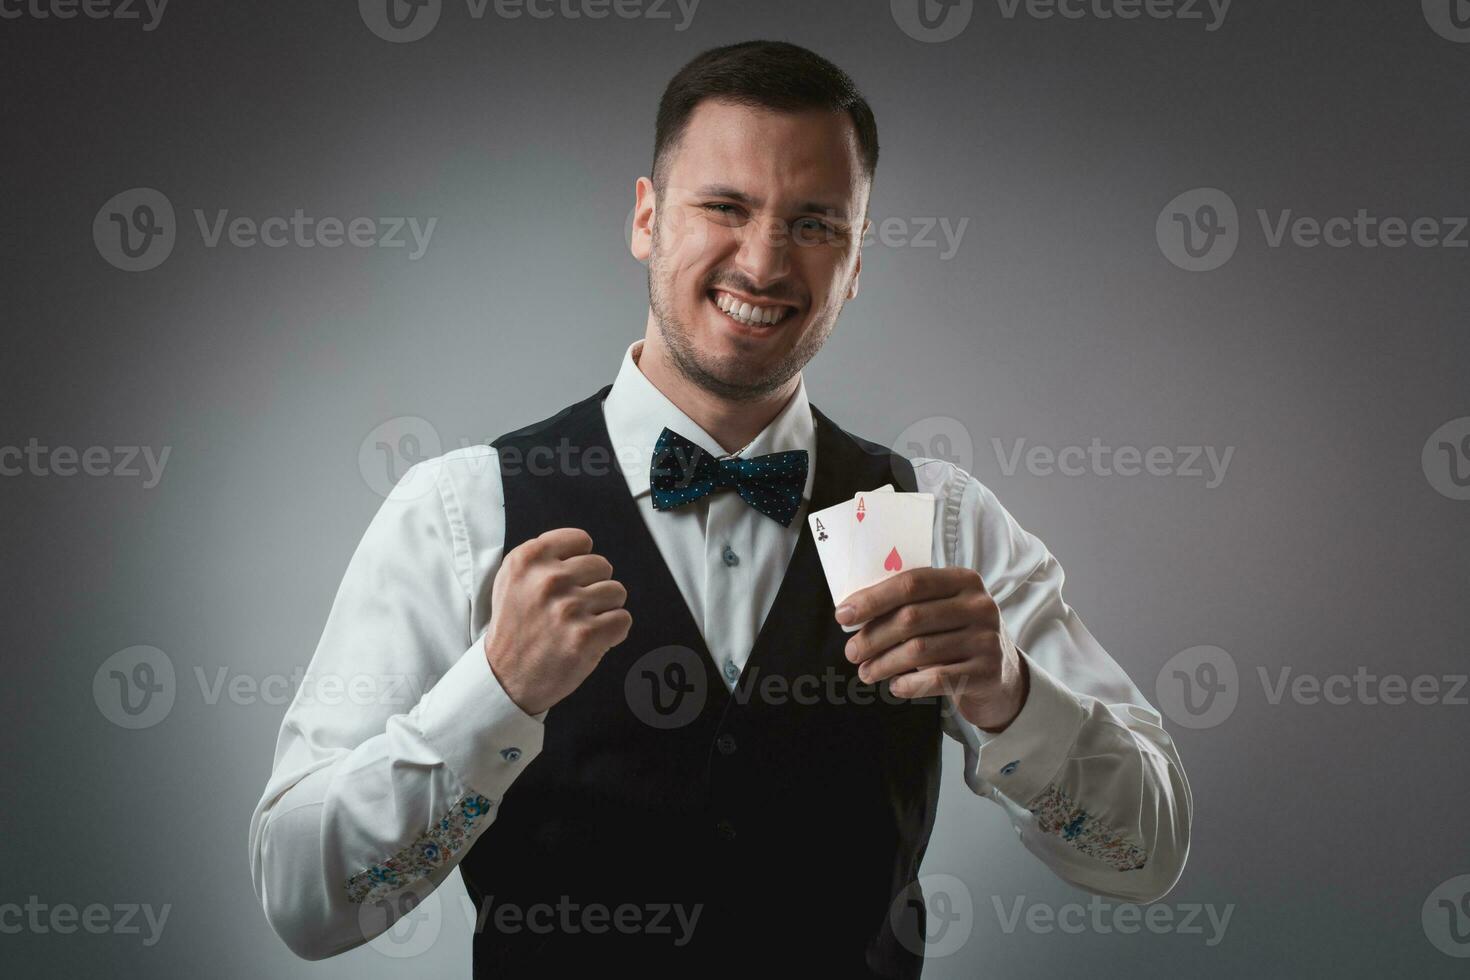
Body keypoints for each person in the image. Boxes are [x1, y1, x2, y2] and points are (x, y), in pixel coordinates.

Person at [248, 39, 1192, 978]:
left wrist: (1009, 693)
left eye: (816, 223)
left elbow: (1148, 855)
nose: (765, 260)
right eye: (725, 207)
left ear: (857, 259)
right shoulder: (464, 515)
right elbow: (305, 899)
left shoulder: (940, 522)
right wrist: (492, 694)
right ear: (648, 218)